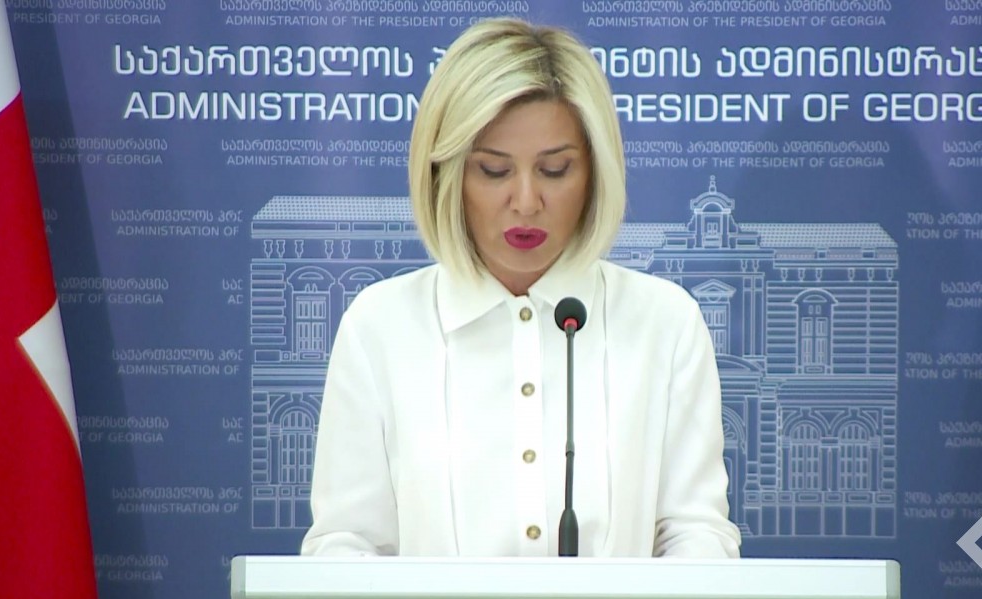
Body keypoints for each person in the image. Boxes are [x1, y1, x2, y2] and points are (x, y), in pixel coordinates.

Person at [300, 17, 741, 558]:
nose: (527, 202)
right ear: (446, 175)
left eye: (555, 170)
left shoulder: (664, 323)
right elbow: (346, 545)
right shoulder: (380, 327)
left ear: (594, 174)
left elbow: (697, 535)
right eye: (493, 171)